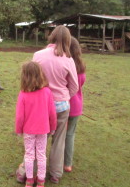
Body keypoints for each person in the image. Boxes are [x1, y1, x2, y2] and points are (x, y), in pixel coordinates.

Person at [32, 25, 78, 184]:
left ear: (51, 36)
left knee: (39, 138)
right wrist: (64, 97)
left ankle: (29, 171)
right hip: (61, 106)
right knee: (59, 140)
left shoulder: (37, 55)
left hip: (41, 105)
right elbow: (74, 86)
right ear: (67, 40)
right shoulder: (69, 59)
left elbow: (32, 81)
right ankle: (55, 173)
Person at [15, 61, 57, 187]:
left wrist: (18, 130)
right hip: (43, 129)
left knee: (29, 155)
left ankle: (29, 180)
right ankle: (41, 181)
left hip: (29, 130)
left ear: (24, 76)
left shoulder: (23, 94)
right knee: (41, 154)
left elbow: (19, 116)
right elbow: (52, 113)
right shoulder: (47, 92)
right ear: (40, 75)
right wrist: (53, 127)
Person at [64, 37, 86, 173]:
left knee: (59, 135)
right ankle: (67, 164)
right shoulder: (81, 67)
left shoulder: (64, 64)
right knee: (70, 135)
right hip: (76, 105)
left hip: (63, 104)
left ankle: (57, 162)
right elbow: (80, 84)